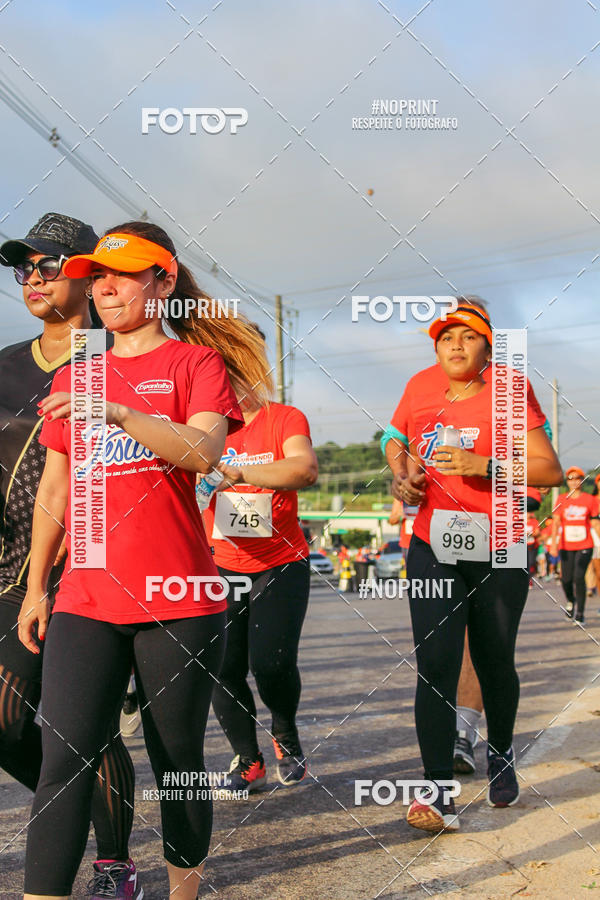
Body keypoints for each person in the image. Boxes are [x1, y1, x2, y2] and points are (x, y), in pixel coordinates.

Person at [17, 221, 259, 899]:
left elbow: (203, 452)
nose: (107, 287)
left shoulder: (196, 367)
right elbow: (55, 489)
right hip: (85, 596)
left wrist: (121, 411)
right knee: (63, 757)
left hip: (178, 599)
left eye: (123, 273)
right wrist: (38, 587)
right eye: (98, 275)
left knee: (176, 759)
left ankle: (182, 892)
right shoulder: (76, 374)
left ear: (165, 278)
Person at [0, 213, 138, 897]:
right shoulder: (2, 366)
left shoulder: (118, 359)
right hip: (4, 566)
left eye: (48, 264)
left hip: (79, 564)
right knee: (20, 729)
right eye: (22, 266)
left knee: (41, 715)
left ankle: (114, 863)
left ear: (88, 273)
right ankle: (78, 797)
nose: (32, 277)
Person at [385, 302, 562, 831]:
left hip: (501, 544)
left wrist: (486, 465)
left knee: (493, 660)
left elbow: (549, 469)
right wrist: (402, 476)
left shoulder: (511, 389)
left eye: (468, 337)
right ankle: (437, 791)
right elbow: (397, 443)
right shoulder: (419, 386)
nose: (455, 345)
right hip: (433, 544)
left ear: (488, 346)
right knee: (436, 665)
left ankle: (501, 751)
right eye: (445, 338)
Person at [202, 338, 318, 794]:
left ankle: (285, 732)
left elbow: (303, 469)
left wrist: (239, 472)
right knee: (222, 668)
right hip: (219, 567)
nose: (232, 376)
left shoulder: (284, 418)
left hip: (279, 563)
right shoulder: (204, 427)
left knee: (270, 665)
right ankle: (247, 760)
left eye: (243, 364)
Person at [551, 467, 600, 624]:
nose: (574, 481)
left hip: (585, 544)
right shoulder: (561, 499)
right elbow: (556, 523)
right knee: (566, 579)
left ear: (582, 480)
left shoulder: (589, 500)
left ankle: (580, 613)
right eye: (570, 478)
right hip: (566, 545)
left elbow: (594, 523)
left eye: (577, 478)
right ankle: (571, 601)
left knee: (579, 577)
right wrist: (553, 544)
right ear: (567, 481)